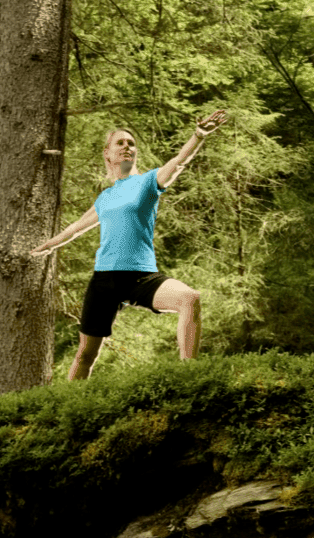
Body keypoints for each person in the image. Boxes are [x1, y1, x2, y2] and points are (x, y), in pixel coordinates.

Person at [31, 109, 228, 379]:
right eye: (120, 143)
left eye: (131, 143)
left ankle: (189, 376)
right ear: (107, 153)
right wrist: (42, 249)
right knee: (86, 354)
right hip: (104, 279)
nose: (127, 147)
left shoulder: (148, 182)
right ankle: (69, 405)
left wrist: (199, 135)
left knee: (189, 298)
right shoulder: (106, 197)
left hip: (141, 276)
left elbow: (179, 161)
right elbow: (75, 229)